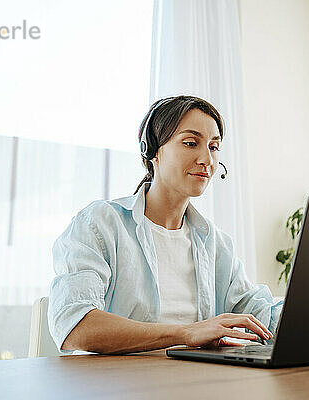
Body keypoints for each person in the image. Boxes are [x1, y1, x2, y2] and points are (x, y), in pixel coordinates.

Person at [48, 95, 282, 354]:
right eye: (191, 143)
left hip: (194, 382)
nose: (207, 159)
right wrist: (186, 332)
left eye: (214, 147)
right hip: (118, 385)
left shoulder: (215, 243)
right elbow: (76, 327)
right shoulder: (100, 224)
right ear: (152, 151)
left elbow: (259, 315)